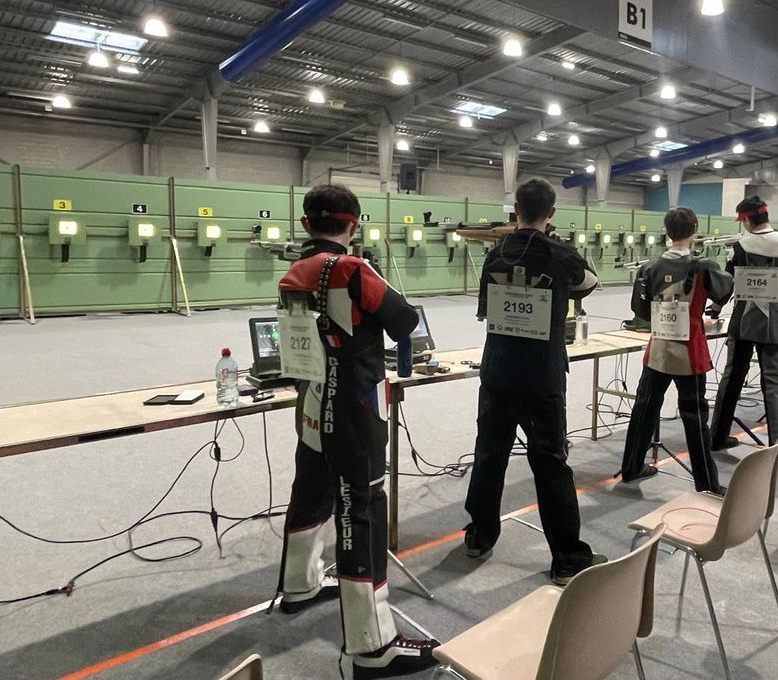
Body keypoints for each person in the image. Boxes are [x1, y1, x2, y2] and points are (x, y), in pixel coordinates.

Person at [275, 185, 440, 677]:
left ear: (306, 225)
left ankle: (300, 584)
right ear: (354, 224)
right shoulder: (352, 270)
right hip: (355, 415)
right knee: (360, 517)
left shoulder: (291, 275)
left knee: (309, 492)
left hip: (311, 408)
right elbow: (405, 320)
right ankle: (371, 648)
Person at [463, 178, 604, 586]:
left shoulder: (495, 254)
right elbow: (589, 282)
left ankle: (479, 535)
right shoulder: (561, 254)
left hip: (499, 371)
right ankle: (566, 558)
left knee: (490, 455)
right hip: (541, 375)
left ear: (516, 209)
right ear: (552, 213)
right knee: (550, 463)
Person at [620, 207, 733, 492]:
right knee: (695, 418)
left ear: (666, 230)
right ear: (694, 229)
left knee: (644, 409)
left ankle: (631, 468)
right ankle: (706, 483)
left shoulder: (650, 268)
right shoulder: (703, 266)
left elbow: (640, 309)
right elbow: (724, 291)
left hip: (658, 348)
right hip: (689, 351)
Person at [710, 196, 778, 450]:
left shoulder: (739, 246)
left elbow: (726, 285)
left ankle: (717, 436)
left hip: (743, 321)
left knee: (732, 378)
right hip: (775, 321)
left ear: (746, 219)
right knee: (771, 383)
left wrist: (714, 310)